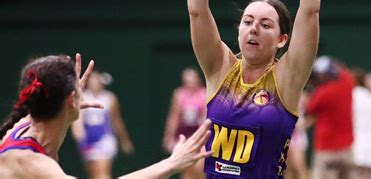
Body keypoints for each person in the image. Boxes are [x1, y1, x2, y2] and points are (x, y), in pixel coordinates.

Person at [187, 0, 320, 178]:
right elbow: (197, 11)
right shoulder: (219, 69)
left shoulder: (286, 79)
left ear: (282, 39)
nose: (254, 28)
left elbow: (309, 13)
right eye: (247, 21)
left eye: (265, 24)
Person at [0, 53, 213, 179]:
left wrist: (69, 110)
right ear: (71, 100)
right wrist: (172, 163)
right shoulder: (30, 161)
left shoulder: (28, 122)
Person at [71, 70, 135, 179]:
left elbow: (116, 121)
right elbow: (78, 121)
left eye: (97, 80)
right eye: (93, 80)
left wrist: (124, 140)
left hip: (105, 140)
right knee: (93, 175)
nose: (95, 83)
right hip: (87, 142)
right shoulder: (83, 98)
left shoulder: (110, 98)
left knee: (103, 175)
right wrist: (78, 133)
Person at [304, 55, 355, 179]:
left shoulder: (323, 94)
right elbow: (343, 71)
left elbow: (309, 109)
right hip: (347, 149)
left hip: (327, 150)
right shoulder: (347, 81)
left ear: (323, 75)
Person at [162, 67, 207, 179]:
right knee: (187, 170)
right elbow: (174, 117)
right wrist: (168, 137)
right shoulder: (179, 94)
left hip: (199, 136)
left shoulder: (204, 93)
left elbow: (206, 117)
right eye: (187, 81)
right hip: (183, 136)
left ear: (198, 80)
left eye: (192, 80)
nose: (190, 83)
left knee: (200, 167)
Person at [351, 68, 371, 179]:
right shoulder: (357, 93)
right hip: (357, 136)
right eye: (369, 80)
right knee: (356, 170)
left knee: (367, 171)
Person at [285, 88, 311, 179]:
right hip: (286, 134)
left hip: (298, 136)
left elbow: (313, 113)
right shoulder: (283, 93)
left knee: (299, 165)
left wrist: (305, 124)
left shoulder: (303, 96)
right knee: (287, 168)